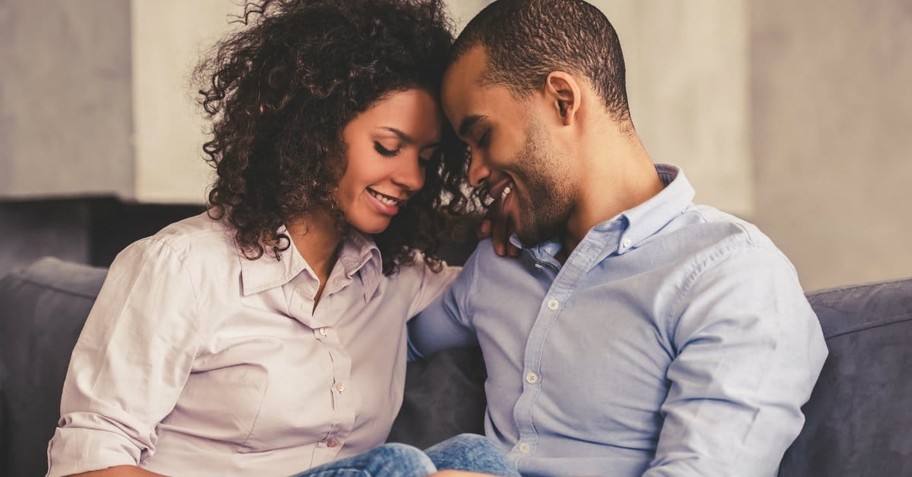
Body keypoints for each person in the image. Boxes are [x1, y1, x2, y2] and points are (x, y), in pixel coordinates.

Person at [45, 1, 517, 476]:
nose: (413, 178)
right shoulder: (182, 265)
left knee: (473, 458)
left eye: (427, 157)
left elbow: (516, 286)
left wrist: (518, 209)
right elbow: (87, 461)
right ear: (315, 130)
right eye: (388, 147)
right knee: (398, 466)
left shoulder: (394, 277)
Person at [409, 0, 829, 476]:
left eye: (482, 136)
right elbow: (386, 339)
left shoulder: (732, 275)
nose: (475, 172)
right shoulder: (498, 264)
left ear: (563, 100)